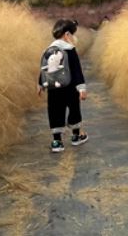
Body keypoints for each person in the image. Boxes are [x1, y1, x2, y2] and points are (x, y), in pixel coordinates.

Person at [37, 18, 88, 153]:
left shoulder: (48, 49)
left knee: (54, 111)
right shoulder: (70, 50)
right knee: (74, 109)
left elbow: (44, 68)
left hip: (53, 89)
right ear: (67, 35)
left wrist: (40, 84)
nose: (73, 37)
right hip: (70, 87)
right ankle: (76, 136)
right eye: (72, 34)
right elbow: (77, 70)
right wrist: (81, 88)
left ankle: (57, 141)